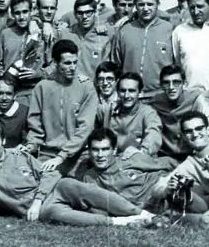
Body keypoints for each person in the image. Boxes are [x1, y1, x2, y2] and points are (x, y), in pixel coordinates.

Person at [40, 128, 171, 226]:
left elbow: (169, 164)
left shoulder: (130, 158)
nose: (100, 155)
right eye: (95, 150)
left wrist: (166, 182)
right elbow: (98, 208)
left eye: (105, 149)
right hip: (151, 211)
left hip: (165, 196)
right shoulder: (89, 177)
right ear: (89, 151)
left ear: (114, 150)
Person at [24, 40, 97, 175]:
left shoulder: (86, 87)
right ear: (56, 64)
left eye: (75, 62)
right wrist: (31, 145)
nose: (73, 67)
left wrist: (62, 156)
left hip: (78, 156)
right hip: (47, 154)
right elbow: (35, 125)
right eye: (67, 63)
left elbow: (86, 127)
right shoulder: (42, 87)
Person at [112, 0, 176, 101]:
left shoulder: (169, 30)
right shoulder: (124, 31)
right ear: (136, 6)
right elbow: (116, 65)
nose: (146, 9)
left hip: (161, 96)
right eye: (141, 5)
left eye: (150, 4)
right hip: (130, 96)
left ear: (158, 5)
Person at [96, 72, 163, 156]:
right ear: (117, 92)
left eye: (131, 91)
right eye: (123, 91)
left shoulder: (148, 113)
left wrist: (143, 151)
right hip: (111, 160)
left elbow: (154, 134)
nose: (127, 95)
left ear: (140, 93)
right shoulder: (108, 110)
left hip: (138, 160)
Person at [149, 65, 202, 162]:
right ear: (161, 85)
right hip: (166, 155)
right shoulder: (156, 102)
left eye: (176, 82)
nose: (171, 87)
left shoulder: (196, 98)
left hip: (190, 155)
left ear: (184, 84)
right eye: (166, 83)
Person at [0, 0, 44, 106]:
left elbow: (53, 65)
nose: (22, 17)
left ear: (31, 11)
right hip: (12, 93)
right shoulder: (5, 34)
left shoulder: (42, 33)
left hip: (36, 90)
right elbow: (0, 62)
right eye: (17, 13)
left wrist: (37, 73)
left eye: (25, 12)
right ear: (12, 14)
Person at [57, 0, 114, 79]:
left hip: (94, 86)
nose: (84, 17)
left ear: (95, 13)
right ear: (75, 14)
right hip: (69, 85)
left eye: (88, 12)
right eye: (80, 13)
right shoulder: (65, 34)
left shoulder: (105, 35)